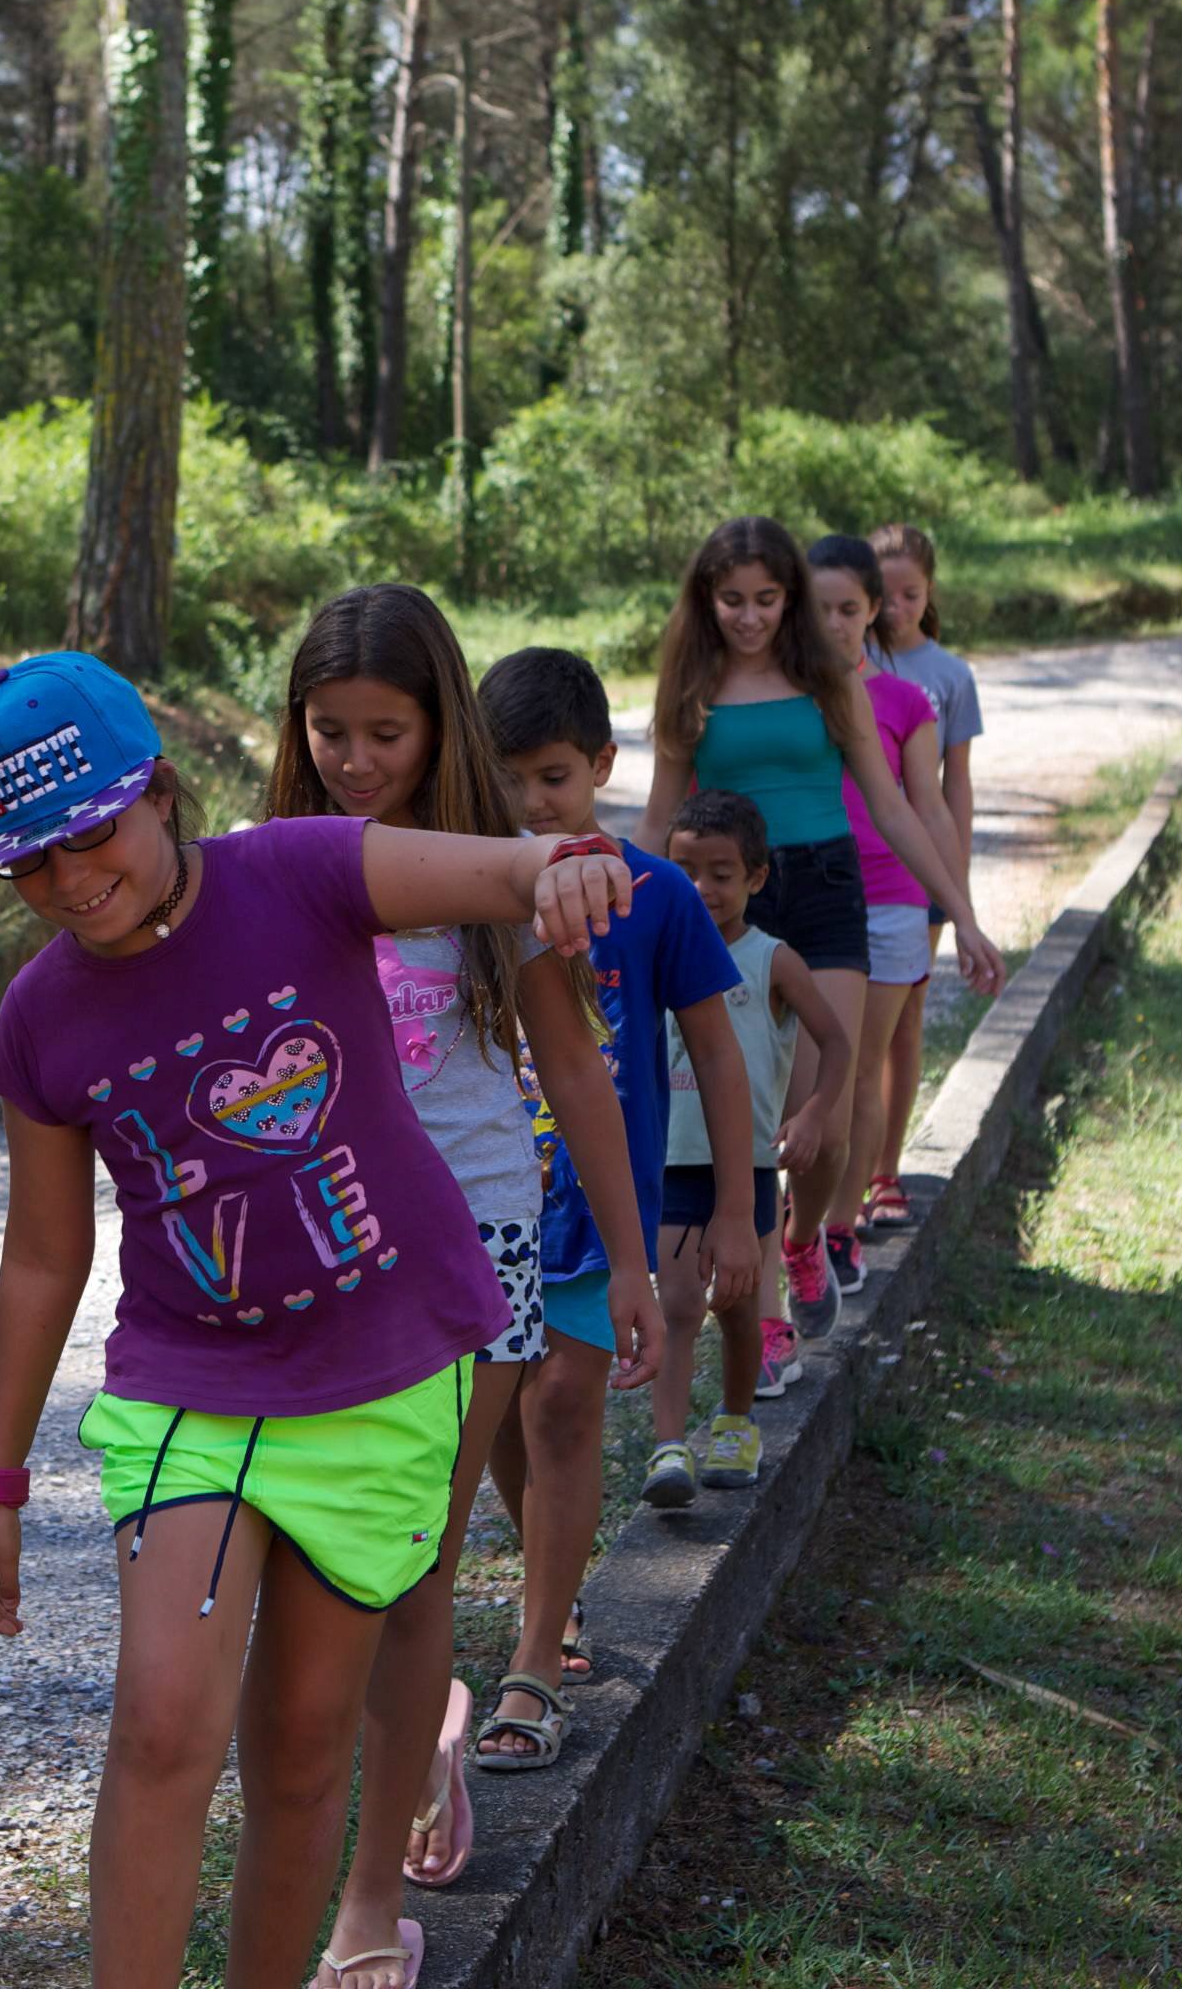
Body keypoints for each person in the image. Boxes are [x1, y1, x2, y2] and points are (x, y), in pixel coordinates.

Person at [0, 649, 638, 1989]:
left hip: (387, 1377)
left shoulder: (296, 871)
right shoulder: (40, 1019)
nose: (73, 881)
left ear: (155, 792)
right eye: (30, 866)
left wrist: (557, 866)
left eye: (92, 835)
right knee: (159, 1723)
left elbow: (496, 871)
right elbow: (42, 1258)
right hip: (189, 1397)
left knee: (308, 1746)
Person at [266, 589, 664, 1988]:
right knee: (331, 1574)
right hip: (324, 1260)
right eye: (330, 733)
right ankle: (419, 1725)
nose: (357, 760)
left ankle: (368, 1907)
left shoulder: (501, 878)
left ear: (440, 727)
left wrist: (629, 1260)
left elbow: (577, 1080)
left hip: (478, 1251)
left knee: (408, 1562)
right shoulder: (281, 868)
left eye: (386, 732)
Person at [637, 517, 1004, 1338]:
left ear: (790, 598)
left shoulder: (829, 674)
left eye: (766, 599)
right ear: (706, 600)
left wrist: (963, 913)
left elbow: (893, 806)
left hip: (828, 888)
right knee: (759, 1116)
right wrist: (614, 911)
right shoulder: (689, 686)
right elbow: (662, 815)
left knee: (823, 1121)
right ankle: (765, 1319)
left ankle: (804, 1238)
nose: (749, 617)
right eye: (731, 600)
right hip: (727, 905)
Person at [472, 647, 754, 1683]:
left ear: (601, 762)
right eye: (507, 780)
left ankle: (537, 1653)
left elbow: (718, 1054)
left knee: (560, 1404)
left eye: (552, 776)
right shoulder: (467, 890)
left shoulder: (657, 894)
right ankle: (557, 1586)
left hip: (597, 1211)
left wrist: (733, 1210)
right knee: (494, 1405)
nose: (531, 803)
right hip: (484, 1207)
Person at [653, 786, 854, 1494]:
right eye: (684, 871)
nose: (701, 888)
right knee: (677, 1304)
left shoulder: (773, 960)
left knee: (735, 1307)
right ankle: (669, 1447)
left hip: (745, 1169)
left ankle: (736, 1421)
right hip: (673, 1165)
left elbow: (835, 1042)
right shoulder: (658, 954)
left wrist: (812, 1116)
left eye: (721, 873)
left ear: (757, 878)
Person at [806, 532, 954, 1291]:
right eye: (818, 608)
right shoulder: (781, 696)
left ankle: (838, 1229)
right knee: (803, 1079)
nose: (833, 624)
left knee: (861, 1069)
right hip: (800, 900)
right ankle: (799, 1226)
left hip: (892, 902)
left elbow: (924, 808)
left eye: (849, 610)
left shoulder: (906, 700)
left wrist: (957, 906)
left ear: (872, 613)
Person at [862, 522, 986, 1238]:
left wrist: (956, 879)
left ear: (929, 593)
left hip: (924, 869)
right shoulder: (845, 663)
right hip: (856, 869)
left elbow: (954, 787)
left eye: (911, 594)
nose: (895, 607)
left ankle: (885, 1170)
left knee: (904, 1020)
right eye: (885, 594)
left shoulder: (949, 676)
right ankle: (833, 1169)